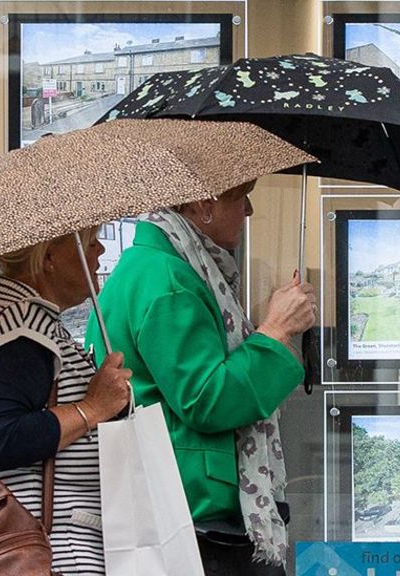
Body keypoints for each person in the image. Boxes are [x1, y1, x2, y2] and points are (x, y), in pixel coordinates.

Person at [87, 181, 316, 575]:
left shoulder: (160, 266)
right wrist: (276, 330)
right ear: (202, 204)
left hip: (178, 509)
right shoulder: (168, 278)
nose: (249, 210)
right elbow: (206, 399)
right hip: (195, 519)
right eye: (239, 197)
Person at [0, 228, 132, 576]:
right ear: (49, 256)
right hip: (47, 553)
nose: (100, 248)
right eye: (87, 241)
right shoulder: (23, 325)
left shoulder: (4, 314)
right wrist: (94, 408)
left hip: (15, 549)